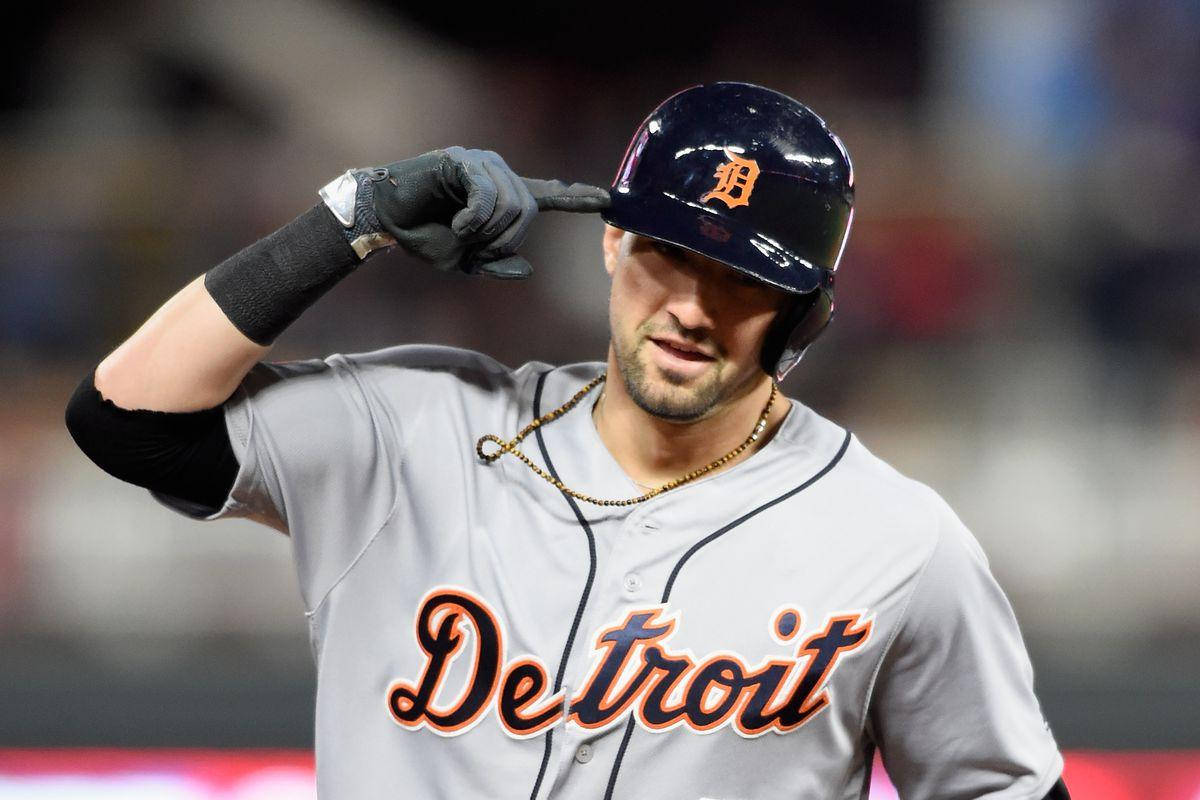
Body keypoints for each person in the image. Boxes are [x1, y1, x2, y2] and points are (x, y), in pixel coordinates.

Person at [66, 82, 1070, 799]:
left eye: (742, 277)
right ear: (608, 244)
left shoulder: (895, 538)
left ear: (804, 313)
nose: (688, 305)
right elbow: (125, 419)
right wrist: (352, 218)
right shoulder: (418, 429)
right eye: (667, 254)